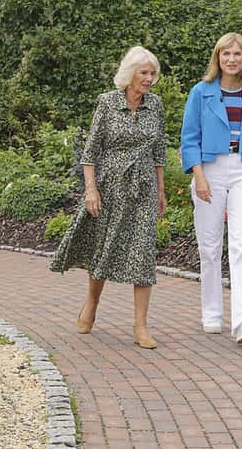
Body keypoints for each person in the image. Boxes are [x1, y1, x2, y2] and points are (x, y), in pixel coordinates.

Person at [50, 46, 166, 349]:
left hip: (143, 189)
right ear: (129, 74)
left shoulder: (155, 105)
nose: (150, 79)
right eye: (144, 73)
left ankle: (140, 326)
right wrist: (91, 189)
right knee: (103, 248)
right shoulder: (107, 103)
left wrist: (161, 191)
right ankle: (91, 301)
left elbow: (159, 152)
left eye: (153, 73)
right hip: (110, 185)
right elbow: (91, 150)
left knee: (143, 253)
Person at [180, 32, 242, 344]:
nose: (232, 59)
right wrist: (199, 175)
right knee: (209, 247)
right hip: (210, 169)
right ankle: (212, 313)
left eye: (238, 54)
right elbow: (189, 137)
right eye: (226, 54)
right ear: (217, 58)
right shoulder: (201, 92)